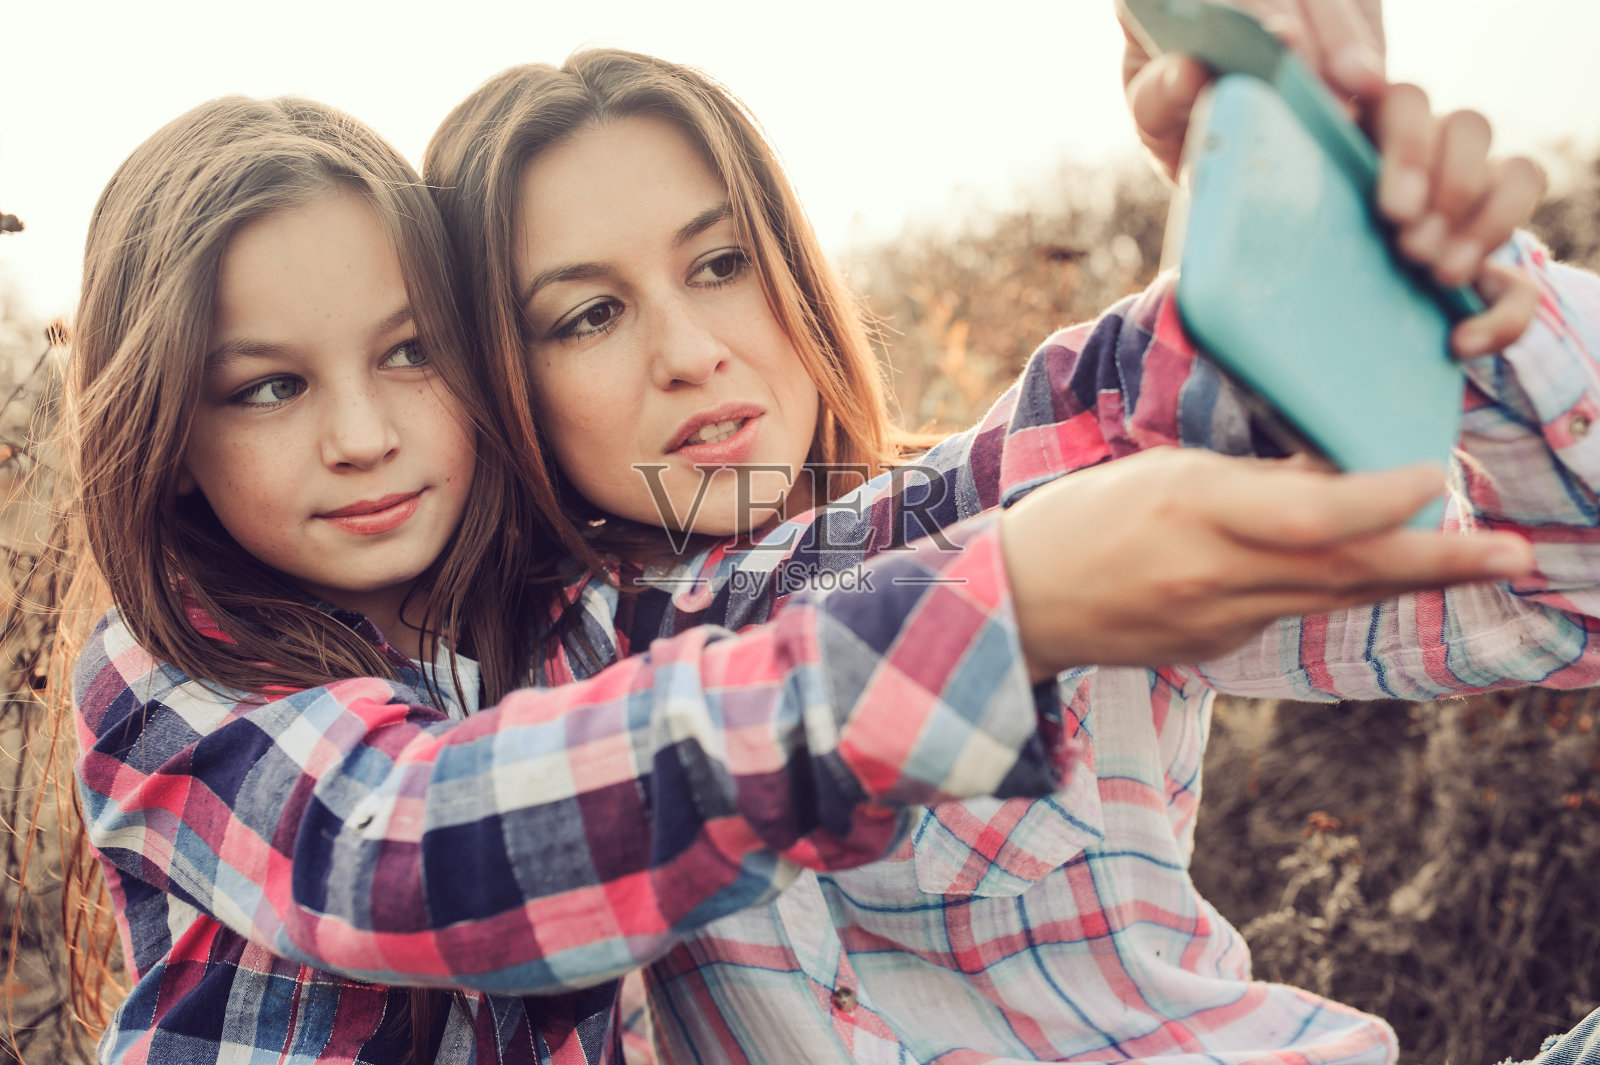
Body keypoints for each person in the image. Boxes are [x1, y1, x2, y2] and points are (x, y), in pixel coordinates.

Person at [57, 92, 1328, 1065]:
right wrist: (980, 625)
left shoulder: (568, 612)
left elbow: (890, 523)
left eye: (409, 353)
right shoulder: (175, 674)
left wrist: (1200, 326)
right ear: (169, 440)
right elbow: (408, 857)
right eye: (269, 387)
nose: (361, 435)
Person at [423, 43, 1600, 1065]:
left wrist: (1455, 300)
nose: (687, 352)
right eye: (588, 315)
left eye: (720, 263)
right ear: (498, 379)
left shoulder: (1069, 516)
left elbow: (1556, 597)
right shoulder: (513, 701)